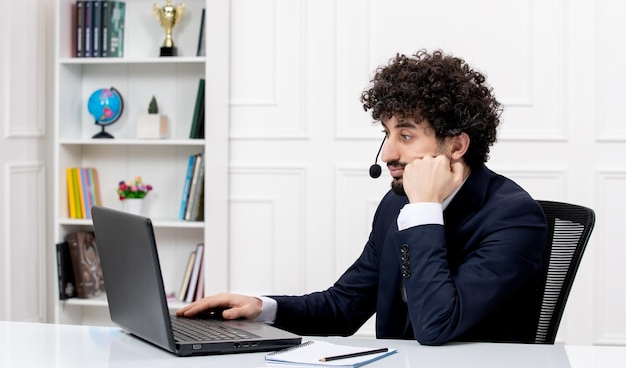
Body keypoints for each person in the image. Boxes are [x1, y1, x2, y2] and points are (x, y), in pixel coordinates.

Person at [177, 49, 548, 345]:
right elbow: (345, 306)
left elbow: (438, 325)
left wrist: (424, 210)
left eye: (405, 136)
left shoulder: (514, 218)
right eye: (386, 134)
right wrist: (262, 309)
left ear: (456, 145)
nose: (387, 154)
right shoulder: (396, 205)